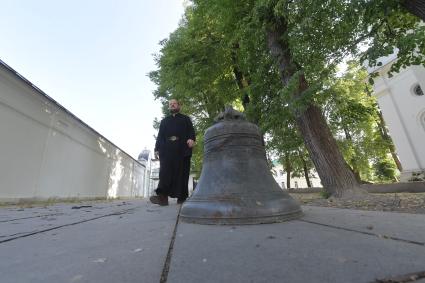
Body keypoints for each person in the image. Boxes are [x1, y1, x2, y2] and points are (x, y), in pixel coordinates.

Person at [150, 99, 196, 206]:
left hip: (182, 148)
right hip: (166, 150)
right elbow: (160, 136)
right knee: (164, 172)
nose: (172, 105)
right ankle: (162, 198)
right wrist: (156, 148)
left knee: (182, 173)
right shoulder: (164, 121)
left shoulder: (186, 119)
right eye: (170, 104)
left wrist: (191, 139)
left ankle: (182, 198)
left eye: (174, 103)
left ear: (179, 105)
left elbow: (191, 131)